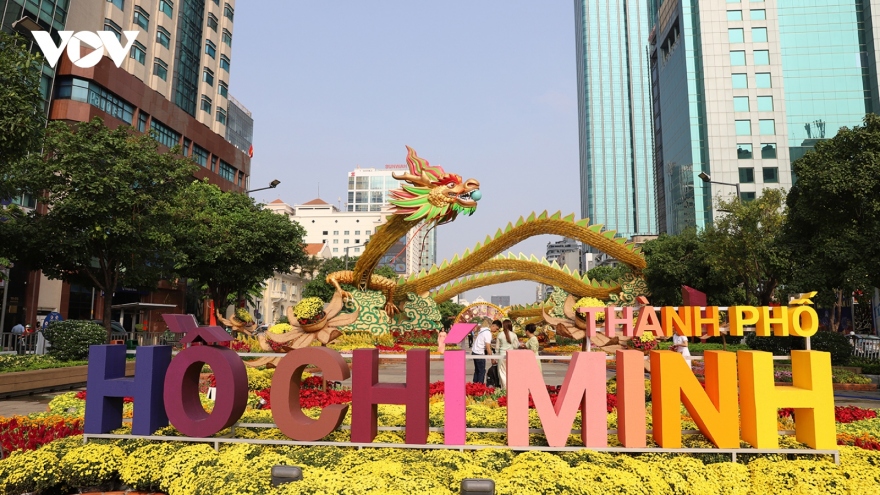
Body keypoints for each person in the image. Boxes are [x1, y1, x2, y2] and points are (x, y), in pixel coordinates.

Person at [495, 319, 519, 389]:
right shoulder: (514, 335)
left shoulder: (500, 334)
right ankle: (511, 388)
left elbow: (497, 348)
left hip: (502, 356)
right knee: (510, 374)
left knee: (502, 374)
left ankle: (504, 389)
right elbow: (516, 346)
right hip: (511, 356)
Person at [471, 318, 493, 383]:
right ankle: (480, 386)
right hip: (479, 353)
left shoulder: (481, 331)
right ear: (491, 325)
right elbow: (488, 347)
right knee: (482, 371)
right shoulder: (487, 333)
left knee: (477, 370)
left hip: (474, 352)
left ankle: (475, 385)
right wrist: (492, 358)